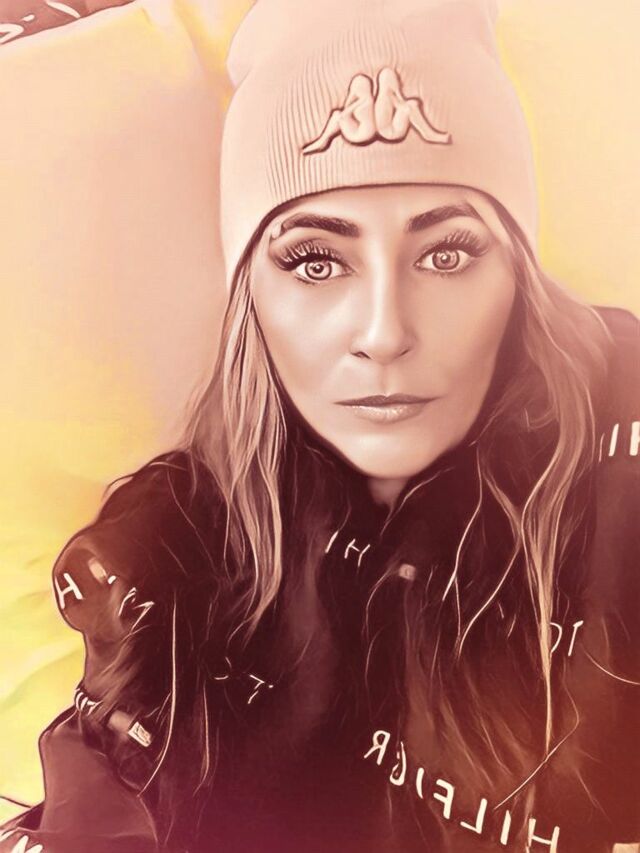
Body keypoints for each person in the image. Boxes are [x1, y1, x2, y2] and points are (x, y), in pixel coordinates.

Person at [1, 0, 638, 851]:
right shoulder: (173, 551)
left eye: (447, 253)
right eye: (315, 260)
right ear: (251, 300)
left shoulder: (618, 469)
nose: (384, 331)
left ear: (517, 279)